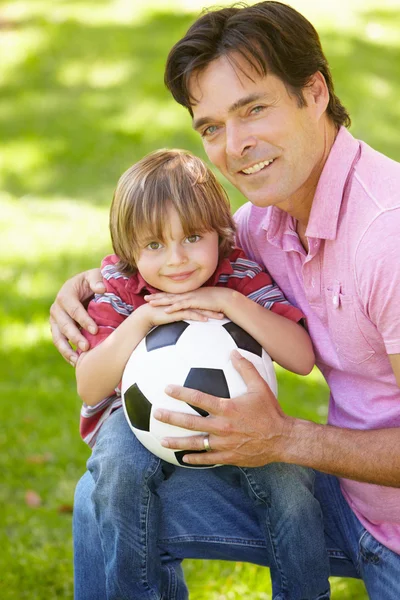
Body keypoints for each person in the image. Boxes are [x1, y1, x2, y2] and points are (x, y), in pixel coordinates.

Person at [49, 1, 400, 599]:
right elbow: (185, 256)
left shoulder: (387, 236)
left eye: (253, 108)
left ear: (314, 92)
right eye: (211, 126)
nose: (235, 145)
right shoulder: (265, 221)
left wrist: (286, 439)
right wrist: (93, 283)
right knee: (102, 499)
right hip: (355, 501)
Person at [73, 147, 329, 600]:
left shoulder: (239, 276)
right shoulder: (120, 287)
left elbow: (300, 357)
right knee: (116, 469)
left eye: (192, 237)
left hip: (243, 416)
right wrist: (143, 320)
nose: (177, 260)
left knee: (291, 484)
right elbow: (90, 386)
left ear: (220, 232)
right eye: (155, 244)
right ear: (129, 248)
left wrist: (230, 303)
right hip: (135, 422)